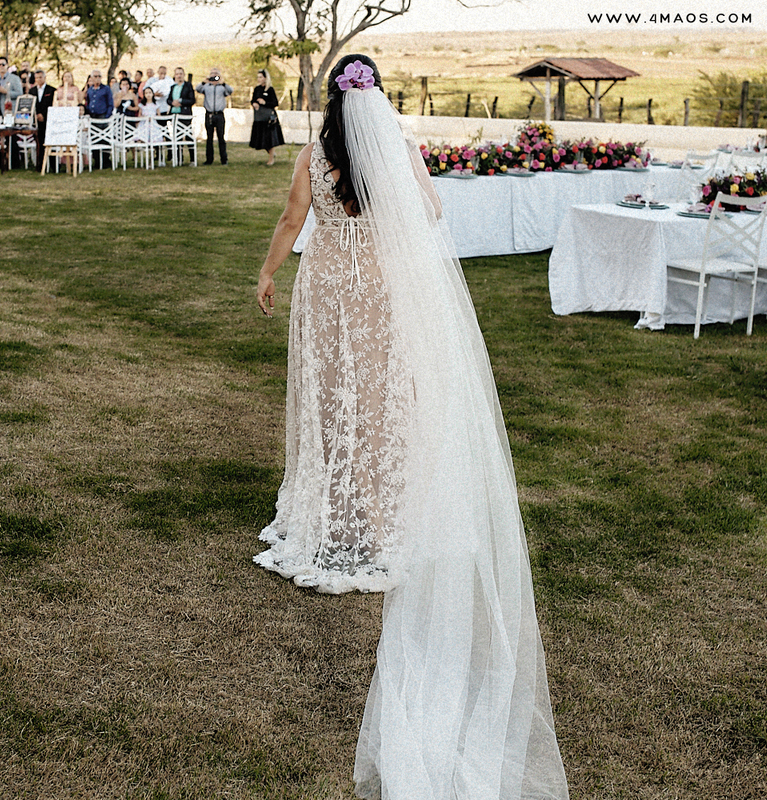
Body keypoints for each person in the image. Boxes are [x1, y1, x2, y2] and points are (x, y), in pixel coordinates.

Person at [253, 54, 569, 800]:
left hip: (329, 292)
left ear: (331, 104)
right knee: (381, 401)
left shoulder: (312, 157)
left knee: (335, 401)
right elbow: (429, 213)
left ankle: (340, 510)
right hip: (384, 292)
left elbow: (293, 220)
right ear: (378, 101)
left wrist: (267, 271)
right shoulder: (398, 151)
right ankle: (385, 510)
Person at [196, 67, 232, 165]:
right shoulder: (206, 86)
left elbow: (230, 91)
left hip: (219, 114)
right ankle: (209, 159)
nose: (214, 75)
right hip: (209, 114)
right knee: (209, 138)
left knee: (221, 137)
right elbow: (197, 89)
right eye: (212, 73)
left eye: (216, 74)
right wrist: (204, 81)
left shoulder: (222, 87)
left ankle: (224, 159)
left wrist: (223, 82)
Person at [249, 69, 285, 167]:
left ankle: (271, 159)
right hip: (259, 117)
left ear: (265, 78)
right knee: (261, 139)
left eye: (260, 77)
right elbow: (252, 100)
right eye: (258, 77)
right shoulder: (257, 89)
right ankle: (271, 153)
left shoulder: (270, 90)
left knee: (270, 140)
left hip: (268, 118)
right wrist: (254, 103)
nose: (259, 79)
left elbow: (275, 103)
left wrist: (265, 103)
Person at [31, 68, 54, 166]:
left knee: (49, 142)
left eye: (40, 77)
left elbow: (52, 105)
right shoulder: (32, 91)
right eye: (36, 78)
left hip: (48, 120)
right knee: (39, 142)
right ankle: (39, 164)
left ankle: (53, 164)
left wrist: (44, 115)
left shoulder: (51, 90)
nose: (38, 79)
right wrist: (36, 115)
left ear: (44, 77)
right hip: (36, 120)